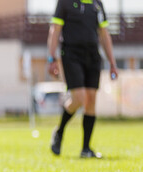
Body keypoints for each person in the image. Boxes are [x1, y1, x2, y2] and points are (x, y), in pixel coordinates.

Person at [48, 0, 118, 159]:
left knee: (91, 100)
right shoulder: (65, 2)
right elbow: (55, 29)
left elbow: (104, 34)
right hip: (71, 55)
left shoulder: (97, 4)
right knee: (79, 98)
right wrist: (51, 58)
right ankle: (59, 131)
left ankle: (86, 149)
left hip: (93, 55)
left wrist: (113, 63)